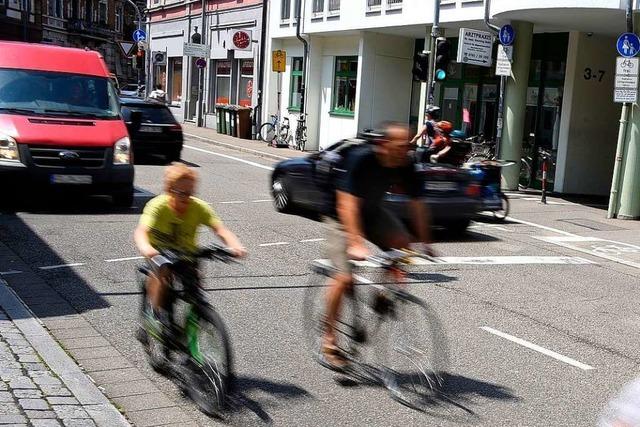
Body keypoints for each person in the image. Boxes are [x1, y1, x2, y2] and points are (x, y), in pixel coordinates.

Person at [320, 122, 434, 370]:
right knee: (343, 277)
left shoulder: (406, 163)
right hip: (340, 216)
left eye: (408, 146)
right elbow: (346, 205)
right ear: (383, 145)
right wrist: (356, 243)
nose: (406, 151)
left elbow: (418, 205)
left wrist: (425, 241)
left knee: (403, 245)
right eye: (400, 146)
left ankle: (384, 294)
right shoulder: (361, 159)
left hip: (372, 212)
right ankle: (329, 339)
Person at [134, 163, 246, 324]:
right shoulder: (157, 206)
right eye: (182, 193)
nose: (187, 197)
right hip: (158, 251)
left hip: (186, 253)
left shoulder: (199, 207)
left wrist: (235, 245)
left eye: (191, 192)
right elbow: (141, 232)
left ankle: (196, 322)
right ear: (170, 190)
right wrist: (147, 248)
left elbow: (221, 230)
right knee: (163, 270)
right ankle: (155, 313)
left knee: (194, 289)